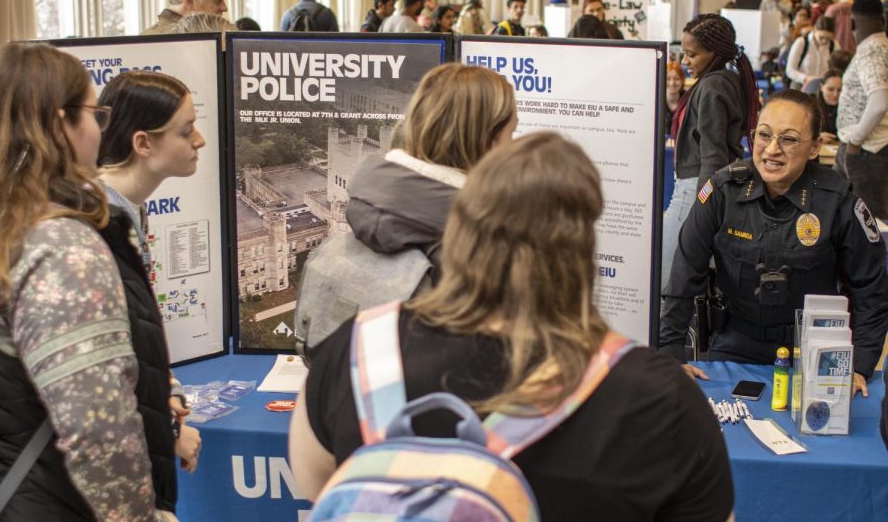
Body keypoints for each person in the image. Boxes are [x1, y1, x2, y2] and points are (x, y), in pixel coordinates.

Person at [290, 132, 735, 521]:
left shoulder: (360, 349)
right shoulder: (656, 398)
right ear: (582, 250)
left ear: (459, 230)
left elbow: (317, 487)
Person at [0, 42, 174, 521]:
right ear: (59, 124)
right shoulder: (59, 248)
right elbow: (98, 429)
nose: (100, 128)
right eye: (95, 114)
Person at [660, 90, 888, 399]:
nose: (772, 149)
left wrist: (859, 364)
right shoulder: (723, 192)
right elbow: (684, 273)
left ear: (815, 147)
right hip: (734, 344)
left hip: (815, 351)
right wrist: (671, 351)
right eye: (764, 135)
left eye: (789, 139)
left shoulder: (839, 203)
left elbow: (871, 290)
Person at [96, 70, 206, 514]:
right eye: (185, 130)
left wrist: (168, 391)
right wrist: (170, 434)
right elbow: (104, 369)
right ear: (143, 144)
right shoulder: (96, 226)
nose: (199, 139)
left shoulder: (125, 212)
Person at [343, 63, 517, 278]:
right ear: (486, 140)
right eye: (511, 132)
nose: (513, 146)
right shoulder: (483, 246)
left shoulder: (366, 205)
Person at [660, 13, 759, 290]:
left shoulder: (714, 85)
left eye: (691, 55)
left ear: (713, 52)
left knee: (664, 281)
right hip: (701, 189)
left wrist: (705, 209)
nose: (685, 62)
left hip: (697, 192)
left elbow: (713, 155)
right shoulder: (722, 81)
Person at [834, 0, 888, 220]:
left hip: (866, 150)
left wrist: (855, 140)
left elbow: (880, 102)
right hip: (872, 148)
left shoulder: (871, 51)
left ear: (852, 23)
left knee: (868, 224)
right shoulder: (882, 47)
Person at [785, 16, 837, 90]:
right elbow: (790, 70)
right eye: (821, 37)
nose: (824, 41)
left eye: (828, 39)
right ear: (815, 29)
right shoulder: (801, 42)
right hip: (801, 85)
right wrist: (806, 78)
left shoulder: (834, 45)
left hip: (823, 87)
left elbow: (836, 69)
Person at [143, 0, 228, 35]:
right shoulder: (190, 40)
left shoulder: (147, 37)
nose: (224, 8)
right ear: (190, 1)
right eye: (218, 1)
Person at [817, 68, 843, 141]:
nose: (835, 94)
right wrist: (815, 137)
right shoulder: (809, 105)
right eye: (830, 89)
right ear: (822, 87)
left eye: (840, 90)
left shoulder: (849, 108)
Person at [665, 61, 686, 131]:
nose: (672, 83)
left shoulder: (689, 100)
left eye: (677, 79)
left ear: (682, 80)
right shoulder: (655, 101)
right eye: (668, 79)